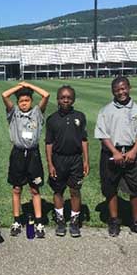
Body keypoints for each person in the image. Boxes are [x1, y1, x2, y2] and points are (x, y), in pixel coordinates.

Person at [95, 76, 137, 238]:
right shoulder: (105, 111)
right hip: (111, 153)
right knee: (111, 187)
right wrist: (114, 151)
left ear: (129, 87)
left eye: (124, 88)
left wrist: (134, 151)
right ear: (113, 91)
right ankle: (114, 220)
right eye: (117, 90)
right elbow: (102, 135)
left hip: (132, 154)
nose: (121, 92)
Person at [1, 81, 50, 238]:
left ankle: (39, 221)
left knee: (35, 189)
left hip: (33, 155)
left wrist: (29, 86)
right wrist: (20, 87)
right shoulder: (13, 112)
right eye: (21, 101)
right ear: (17, 103)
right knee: (16, 188)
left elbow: (46, 95)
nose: (24, 103)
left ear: (31, 101)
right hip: (17, 154)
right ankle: (16, 220)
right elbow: (4, 95)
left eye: (27, 100)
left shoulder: (37, 112)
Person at [45, 85, 89, 237]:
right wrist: (50, 164)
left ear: (73, 99)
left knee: (75, 191)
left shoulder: (80, 116)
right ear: (57, 99)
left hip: (75, 159)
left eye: (69, 97)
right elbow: (48, 144)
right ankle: (60, 221)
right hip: (58, 159)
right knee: (58, 191)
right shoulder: (51, 120)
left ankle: (75, 222)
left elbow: (84, 140)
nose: (65, 100)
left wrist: (86, 161)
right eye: (62, 97)